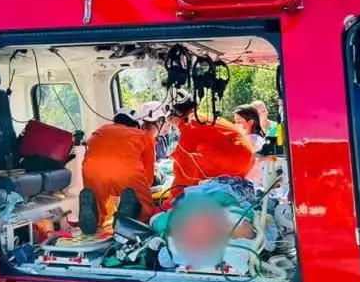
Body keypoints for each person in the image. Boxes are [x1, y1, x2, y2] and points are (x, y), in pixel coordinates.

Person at [79, 107, 155, 235]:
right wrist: (144, 188)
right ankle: (131, 215)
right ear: (136, 125)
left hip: (92, 170)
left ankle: (96, 218)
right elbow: (148, 176)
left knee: (98, 201)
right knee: (144, 206)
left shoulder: (99, 131)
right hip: (126, 171)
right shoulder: (142, 135)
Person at [166, 92, 255, 200]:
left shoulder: (190, 123)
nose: (171, 123)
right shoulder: (199, 118)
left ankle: (179, 200)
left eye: (169, 119)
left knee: (185, 160)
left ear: (175, 112)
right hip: (243, 161)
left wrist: (173, 199)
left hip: (236, 160)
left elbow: (183, 163)